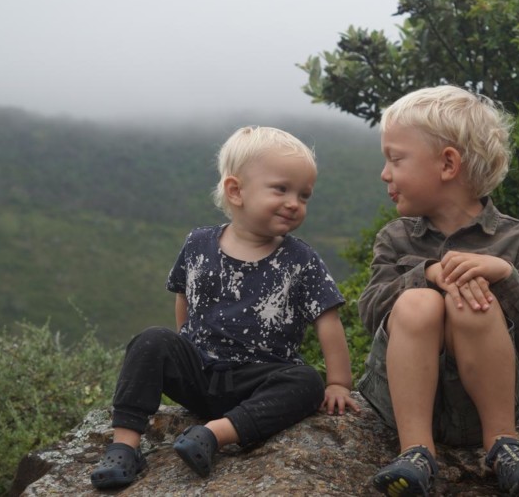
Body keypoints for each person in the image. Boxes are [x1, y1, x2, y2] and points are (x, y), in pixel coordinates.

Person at [90, 125, 359, 490]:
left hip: (259, 380)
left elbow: (327, 320)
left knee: (306, 381)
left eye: (304, 195)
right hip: (200, 371)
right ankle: (124, 446)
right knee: (151, 340)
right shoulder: (198, 243)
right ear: (236, 191)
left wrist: (339, 382)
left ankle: (213, 434)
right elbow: (183, 296)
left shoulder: (300, 259)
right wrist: (185, 347)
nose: (295, 202)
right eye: (281, 189)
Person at [357, 85, 519, 496]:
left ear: (448, 164)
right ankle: (415, 452)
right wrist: (424, 274)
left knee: (473, 298)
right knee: (417, 301)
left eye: (395, 158)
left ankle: (504, 444)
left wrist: (505, 276)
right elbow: (370, 314)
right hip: (401, 404)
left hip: (483, 405)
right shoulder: (395, 239)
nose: (384, 173)